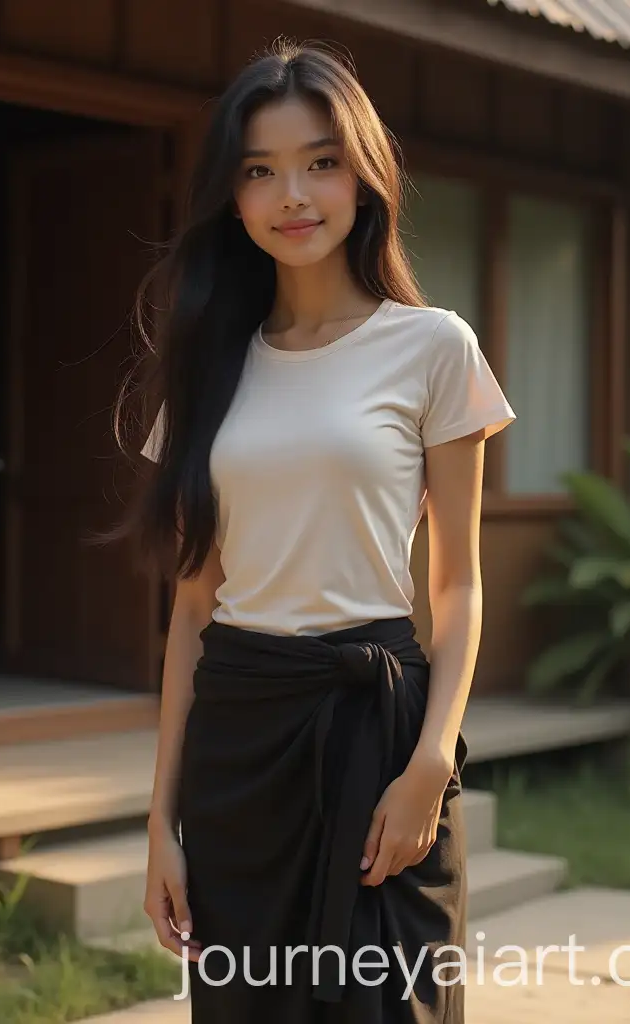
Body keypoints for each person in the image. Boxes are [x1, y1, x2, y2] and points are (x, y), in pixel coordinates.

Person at [126, 38, 515, 1024]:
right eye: (260, 170)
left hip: (379, 740)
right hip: (238, 748)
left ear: (363, 176)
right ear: (231, 196)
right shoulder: (206, 369)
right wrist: (161, 820)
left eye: (320, 162)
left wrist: (431, 761)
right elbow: (192, 605)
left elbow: (457, 583)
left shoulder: (433, 347)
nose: (292, 195)